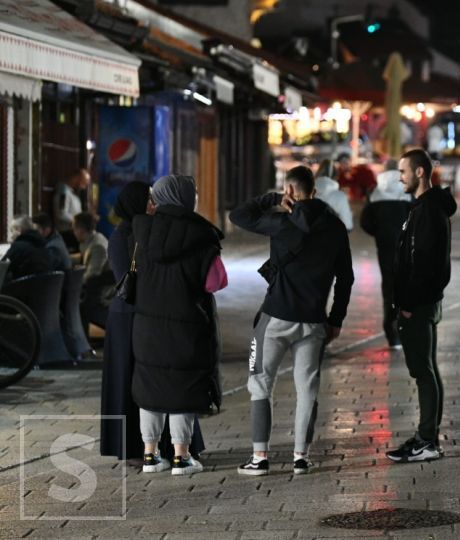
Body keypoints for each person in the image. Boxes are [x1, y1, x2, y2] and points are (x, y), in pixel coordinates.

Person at [230, 165, 353, 476]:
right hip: (313, 322)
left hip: (274, 318)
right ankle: (301, 456)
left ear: (289, 191)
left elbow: (239, 215)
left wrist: (272, 198)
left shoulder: (281, 222)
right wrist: (335, 318)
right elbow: (346, 279)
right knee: (307, 388)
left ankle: (260, 457)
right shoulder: (336, 228)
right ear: (314, 191)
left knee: (260, 383)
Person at [100, 181, 207, 462]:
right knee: (136, 380)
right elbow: (127, 279)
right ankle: (139, 446)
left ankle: (158, 447)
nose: (153, 204)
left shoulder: (148, 232)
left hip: (146, 315)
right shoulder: (124, 235)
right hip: (129, 318)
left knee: (154, 381)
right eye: (148, 199)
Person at [131, 174, 227, 476]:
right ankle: (181, 456)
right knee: (181, 389)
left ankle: (150, 455)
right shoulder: (201, 236)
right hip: (186, 328)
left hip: (147, 328)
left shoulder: (142, 232)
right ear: (186, 198)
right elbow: (217, 281)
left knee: (151, 388)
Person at [386, 148, 456, 463]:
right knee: (427, 370)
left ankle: (427, 440)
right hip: (424, 302)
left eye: (403, 171)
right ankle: (426, 437)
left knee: (424, 371)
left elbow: (426, 263)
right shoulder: (424, 207)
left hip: (419, 304)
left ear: (419, 173)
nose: (399, 177)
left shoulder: (428, 211)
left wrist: (408, 303)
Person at [361, 159, 412, 349]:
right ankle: (405, 328)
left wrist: (380, 233)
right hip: (406, 248)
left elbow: (365, 222)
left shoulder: (375, 193)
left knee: (389, 288)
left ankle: (392, 333)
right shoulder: (406, 191)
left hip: (385, 248)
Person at [1, 216, 54, 281]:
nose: (11, 236)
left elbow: (2, 268)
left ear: (19, 230)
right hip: (43, 288)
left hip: (22, 288)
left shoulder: (18, 246)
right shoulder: (43, 245)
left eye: (12, 231)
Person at [54, 169, 89, 250]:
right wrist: (78, 221)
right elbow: (61, 214)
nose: (84, 186)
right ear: (77, 178)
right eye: (84, 182)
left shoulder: (72, 193)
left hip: (75, 232)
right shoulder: (63, 192)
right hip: (66, 233)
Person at [314, 159, 354, 231]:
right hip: (333, 237)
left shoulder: (308, 193)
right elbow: (347, 225)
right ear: (336, 176)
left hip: (310, 238)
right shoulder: (340, 196)